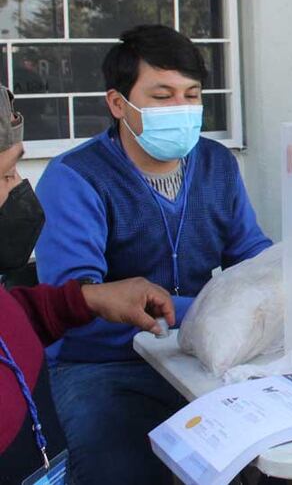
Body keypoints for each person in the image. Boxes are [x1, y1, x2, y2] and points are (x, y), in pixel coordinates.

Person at [34, 25, 273, 485]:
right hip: (106, 366)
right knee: (122, 468)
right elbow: (78, 300)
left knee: (263, 460)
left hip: (207, 354)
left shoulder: (217, 163)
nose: (181, 109)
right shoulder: (74, 178)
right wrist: (210, 311)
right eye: (162, 96)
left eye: (191, 94)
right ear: (118, 104)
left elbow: (252, 256)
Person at [0, 84, 177, 484]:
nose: (17, 188)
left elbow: (10, 318)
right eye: (7, 172)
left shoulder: (215, 162)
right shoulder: (78, 174)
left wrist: (88, 299)